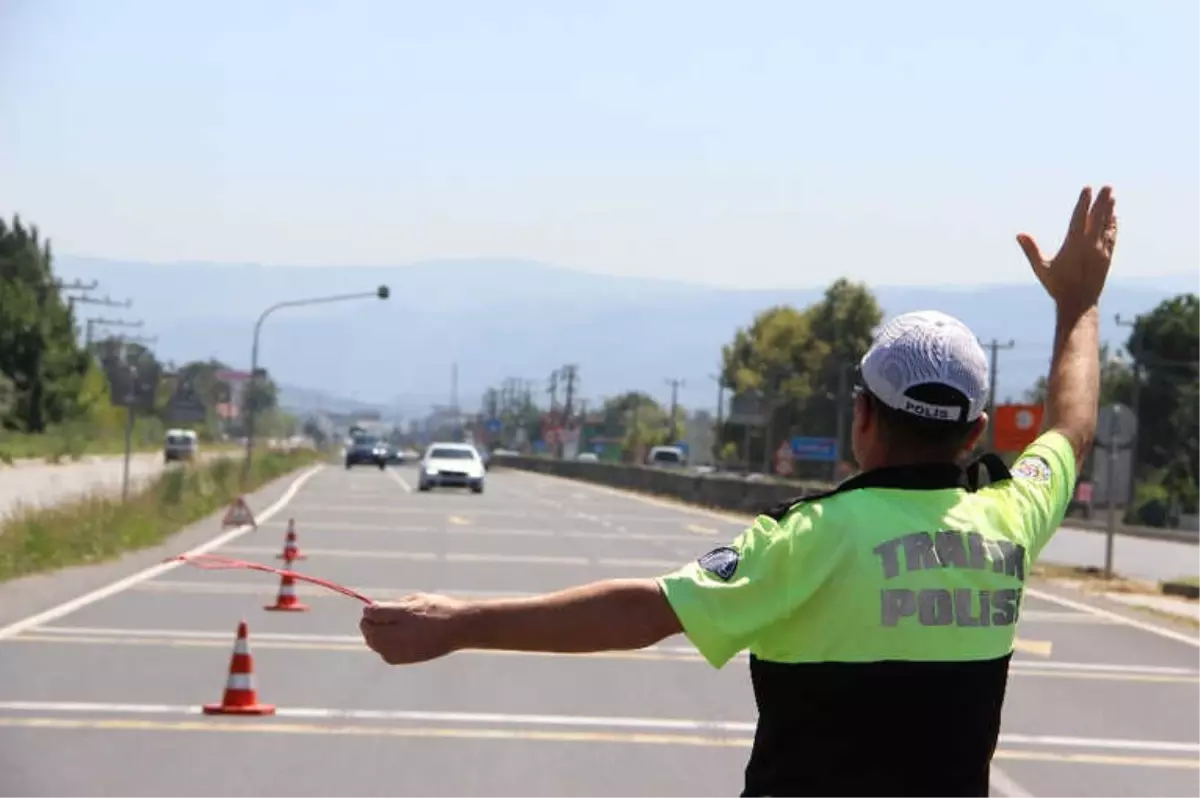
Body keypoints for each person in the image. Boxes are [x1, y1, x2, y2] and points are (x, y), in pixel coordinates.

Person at [360, 185, 1117, 796]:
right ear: (976, 429)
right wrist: (1078, 304)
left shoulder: (812, 536)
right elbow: (1073, 427)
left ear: (860, 415)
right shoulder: (1012, 516)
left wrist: (459, 621)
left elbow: (643, 611)